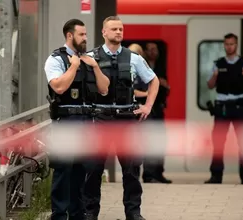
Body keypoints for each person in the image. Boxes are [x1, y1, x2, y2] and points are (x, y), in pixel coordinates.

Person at [83, 16, 159, 220]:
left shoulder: (133, 57)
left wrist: (148, 106)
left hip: (127, 119)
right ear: (104, 32)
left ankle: (133, 213)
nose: (118, 32)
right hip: (100, 119)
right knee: (93, 170)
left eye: (121, 29)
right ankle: (90, 213)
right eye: (114, 29)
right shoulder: (91, 57)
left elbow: (153, 81)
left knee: (132, 171)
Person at [44, 18, 110, 220]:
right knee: (63, 171)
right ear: (69, 35)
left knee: (82, 170)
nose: (86, 38)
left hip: (86, 123)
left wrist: (96, 67)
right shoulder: (56, 59)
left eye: (86, 34)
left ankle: (77, 214)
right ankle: (59, 214)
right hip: (66, 123)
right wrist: (73, 67)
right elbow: (59, 87)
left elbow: (104, 89)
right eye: (82, 34)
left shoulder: (89, 60)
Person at [205, 33, 243, 185]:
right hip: (222, 107)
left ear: (236, 45)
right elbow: (209, 85)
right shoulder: (218, 64)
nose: (229, 47)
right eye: (227, 44)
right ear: (224, 45)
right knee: (218, 142)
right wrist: (215, 75)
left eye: (232, 44)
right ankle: (216, 176)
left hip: (240, 106)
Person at [142, 42, 172, 184]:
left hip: (159, 107)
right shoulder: (142, 65)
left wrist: (166, 85)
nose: (154, 52)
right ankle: (148, 175)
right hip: (147, 108)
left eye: (155, 49)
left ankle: (159, 173)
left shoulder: (161, 66)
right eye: (150, 49)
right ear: (146, 52)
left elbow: (167, 87)